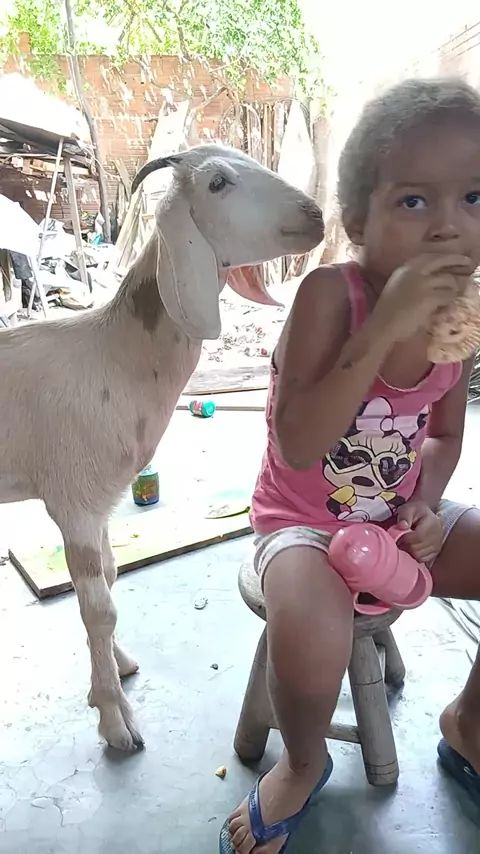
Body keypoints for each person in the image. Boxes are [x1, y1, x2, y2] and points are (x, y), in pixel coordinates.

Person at [219, 77, 480, 854]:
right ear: (359, 219)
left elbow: (443, 434)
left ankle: (469, 725)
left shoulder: (460, 324)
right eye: (414, 201)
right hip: (302, 522)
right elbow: (298, 444)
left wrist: (425, 502)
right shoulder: (331, 298)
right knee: (310, 627)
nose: (449, 227)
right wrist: (385, 327)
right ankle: (303, 762)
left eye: (475, 198)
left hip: (393, 520)